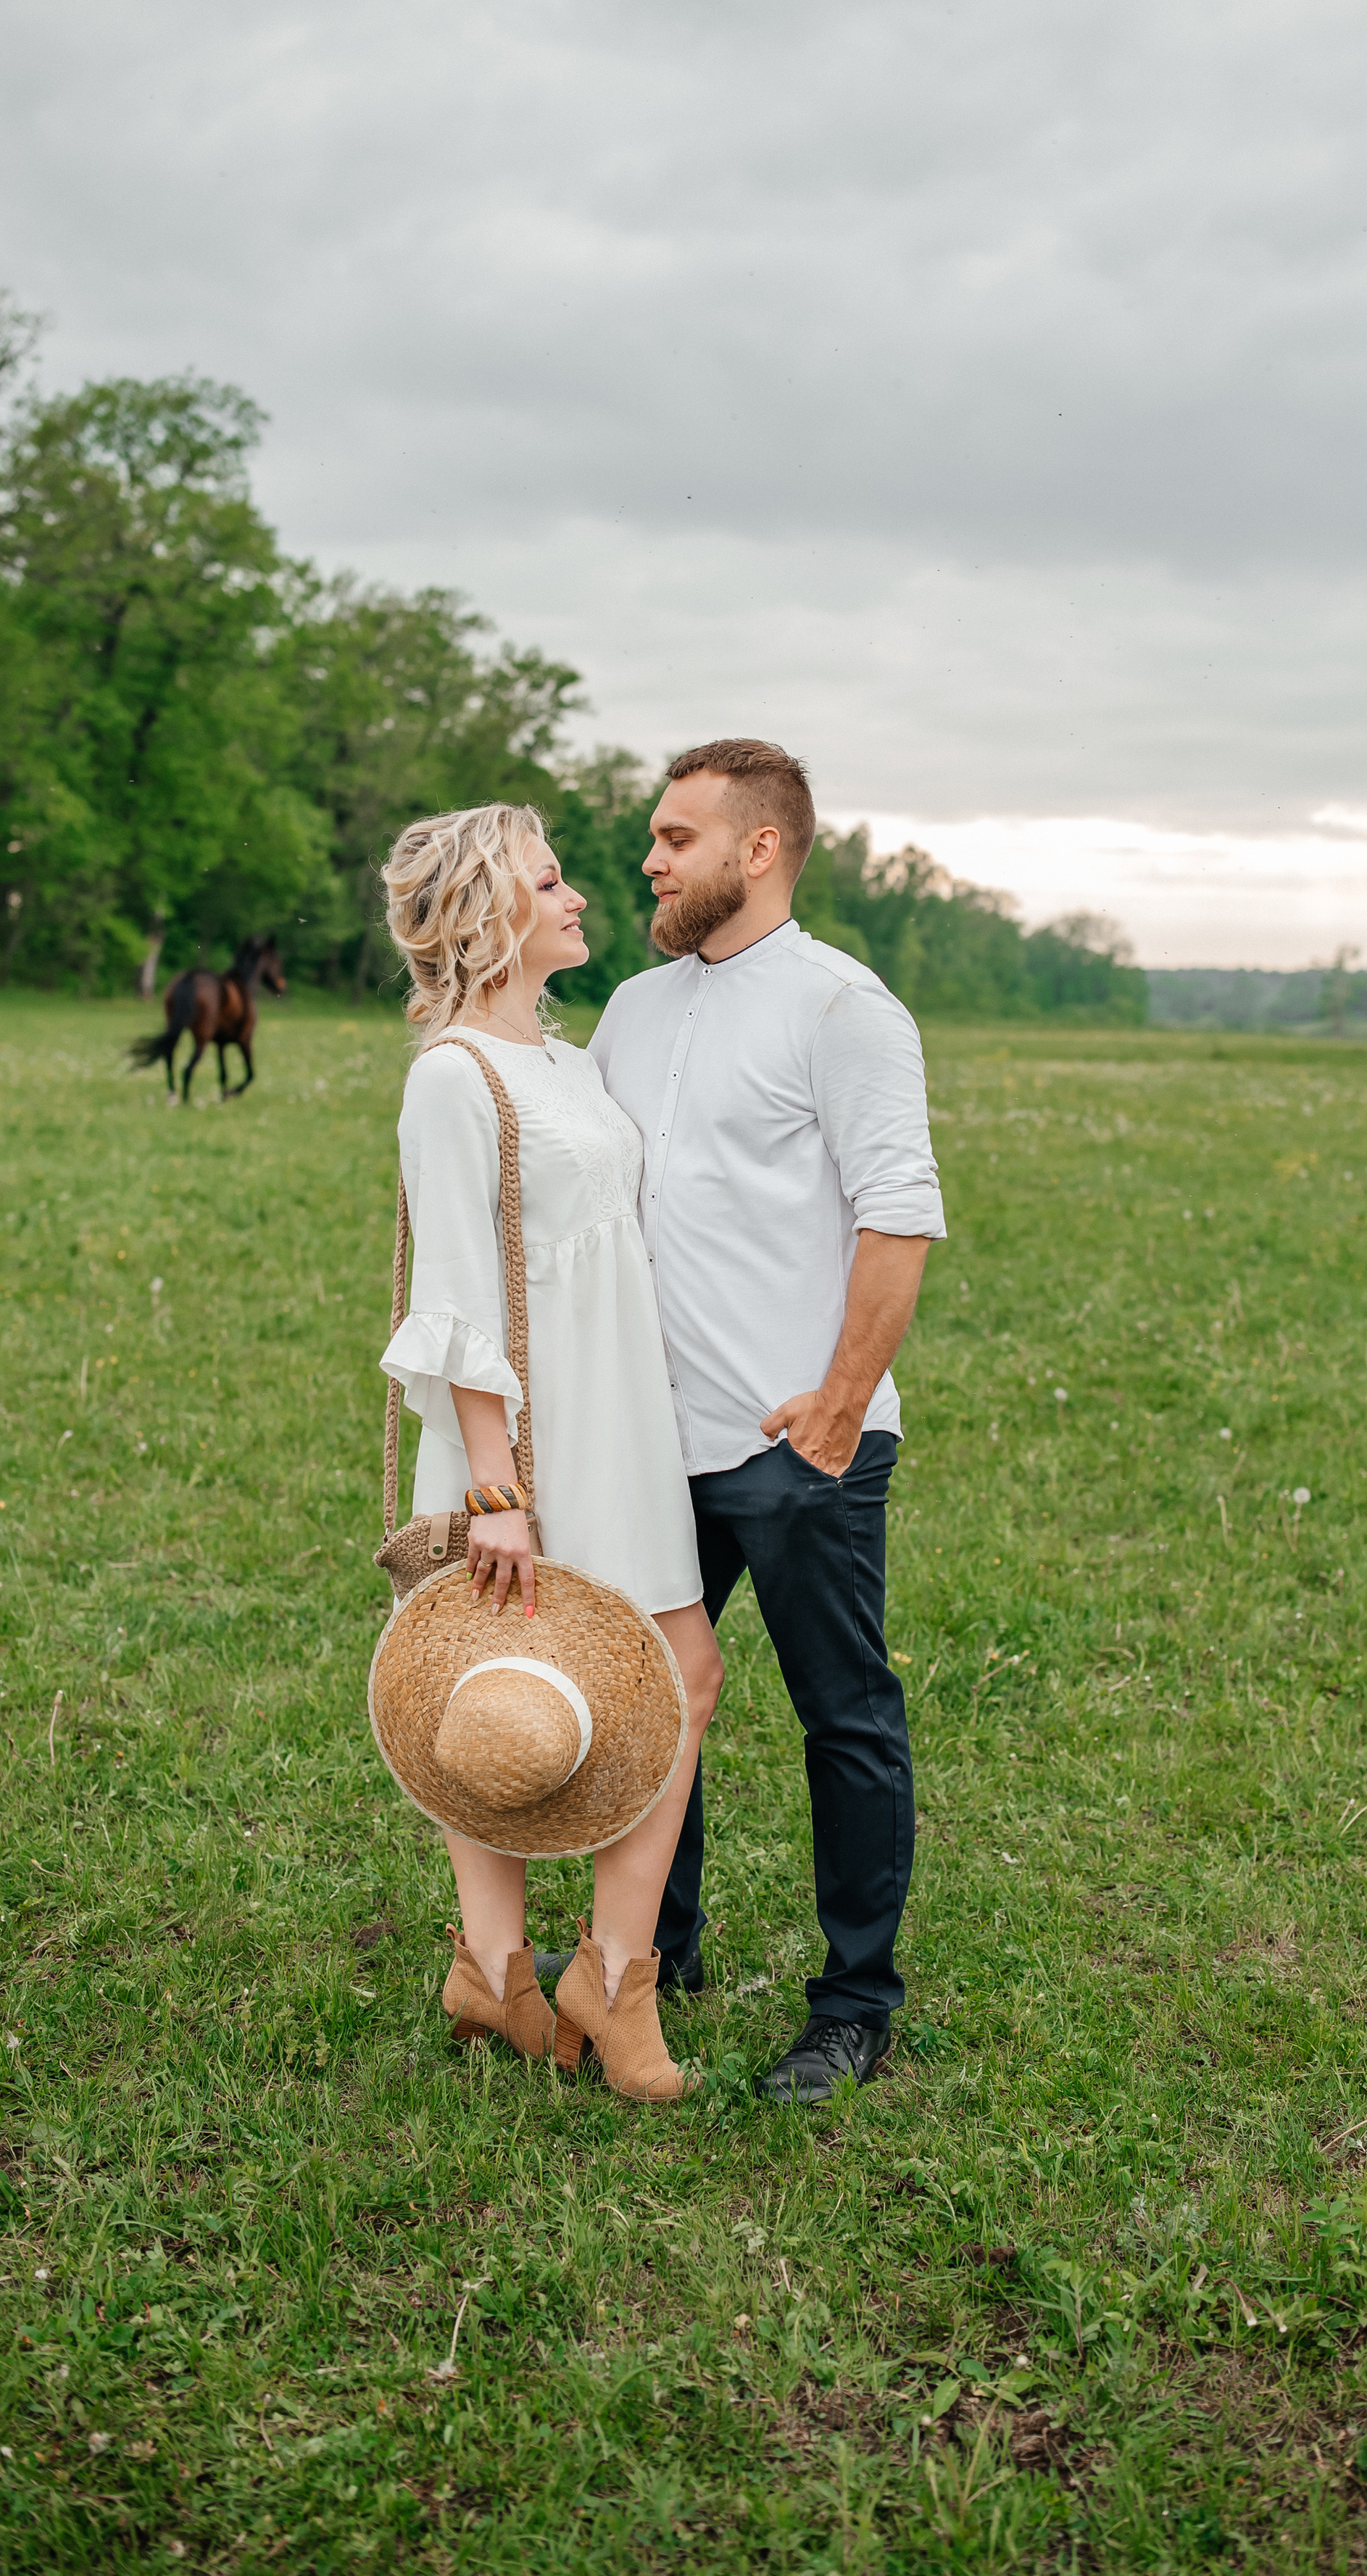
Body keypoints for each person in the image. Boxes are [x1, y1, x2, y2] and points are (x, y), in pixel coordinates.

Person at [589, 739, 946, 2105]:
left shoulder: (845, 1009)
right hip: (652, 1441)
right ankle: (648, 1956)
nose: (650, 858)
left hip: (797, 1441)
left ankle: (855, 2003)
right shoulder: (630, 1004)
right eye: (653, 836)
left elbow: (899, 1214)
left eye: (677, 837)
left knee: (841, 1714)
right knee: (644, 1705)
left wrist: (841, 1408)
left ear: (761, 849)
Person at [378, 802, 725, 2103]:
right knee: (503, 1688)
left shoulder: (570, 1067)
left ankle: (597, 1970)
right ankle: (503, 1964)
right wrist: (496, 1491)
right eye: (551, 877)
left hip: (620, 1410)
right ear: (490, 912)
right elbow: (458, 1291)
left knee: (672, 1672)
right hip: (520, 1437)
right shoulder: (453, 1076)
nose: (581, 894)